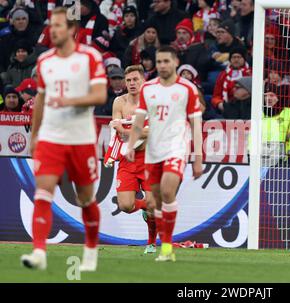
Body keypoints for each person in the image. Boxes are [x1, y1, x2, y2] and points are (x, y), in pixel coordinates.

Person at [20, 7, 107, 271]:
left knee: (85, 199)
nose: (52, 30)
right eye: (50, 25)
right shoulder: (45, 61)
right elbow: (42, 100)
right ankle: (38, 252)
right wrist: (35, 135)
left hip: (81, 138)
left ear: (72, 30)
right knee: (43, 192)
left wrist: (70, 100)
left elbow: (100, 96)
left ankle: (91, 251)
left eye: (58, 25)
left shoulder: (89, 57)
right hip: (51, 137)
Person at [126, 46, 203, 262]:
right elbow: (139, 120)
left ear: (175, 62)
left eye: (166, 61)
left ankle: (167, 248)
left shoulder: (187, 89)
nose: (162, 65)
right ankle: (165, 245)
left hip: (176, 148)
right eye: (159, 62)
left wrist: (198, 158)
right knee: (155, 202)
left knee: (168, 192)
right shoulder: (147, 89)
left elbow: (196, 123)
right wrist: (131, 145)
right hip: (153, 151)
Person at [110, 65, 157, 254]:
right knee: (126, 206)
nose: (131, 83)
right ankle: (150, 207)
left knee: (153, 207)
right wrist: (135, 132)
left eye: (135, 79)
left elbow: (153, 131)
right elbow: (116, 127)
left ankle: (152, 243)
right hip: (127, 159)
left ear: (143, 81)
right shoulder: (119, 102)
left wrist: (126, 130)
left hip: (150, 159)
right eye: (128, 80)